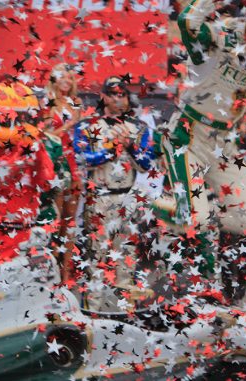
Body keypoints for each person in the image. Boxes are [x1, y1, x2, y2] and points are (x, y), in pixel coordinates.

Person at [153, 1, 246, 302]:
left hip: (224, 143)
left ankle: (211, 266)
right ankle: (142, 204)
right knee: (196, 216)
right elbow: (187, 21)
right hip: (189, 135)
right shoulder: (219, 36)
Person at [73, 75, 154, 311]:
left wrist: (129, 145)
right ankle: (93, 311)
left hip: (128, 196)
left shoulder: (139, 128)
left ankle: (125, 313)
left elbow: (146, 163)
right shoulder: (88, 126)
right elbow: (82, 158)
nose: (119, 99)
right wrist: (111, 149)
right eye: (114, 94)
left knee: (127, 258)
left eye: (123, 94)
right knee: (97, 258)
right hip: (101, 197)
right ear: (104, 97)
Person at [0, 82, 56, 273]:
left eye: (19, 118)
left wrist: (38, 153)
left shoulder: (32, 145)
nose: (16, 124)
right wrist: (23, 159)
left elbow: (48, 182)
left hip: (28, 234)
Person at [40, 63, 83, 282]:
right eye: (63, 76)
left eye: (70, 77)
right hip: (57, 165)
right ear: (54, 79)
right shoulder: (48, 103)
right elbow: (48, 135)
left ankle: (65, 276)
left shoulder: (76, 103)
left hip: (74, 164)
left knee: (70, 223)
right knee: (55, 222)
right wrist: (70, 124)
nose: (68, 80)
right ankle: (50, 275)